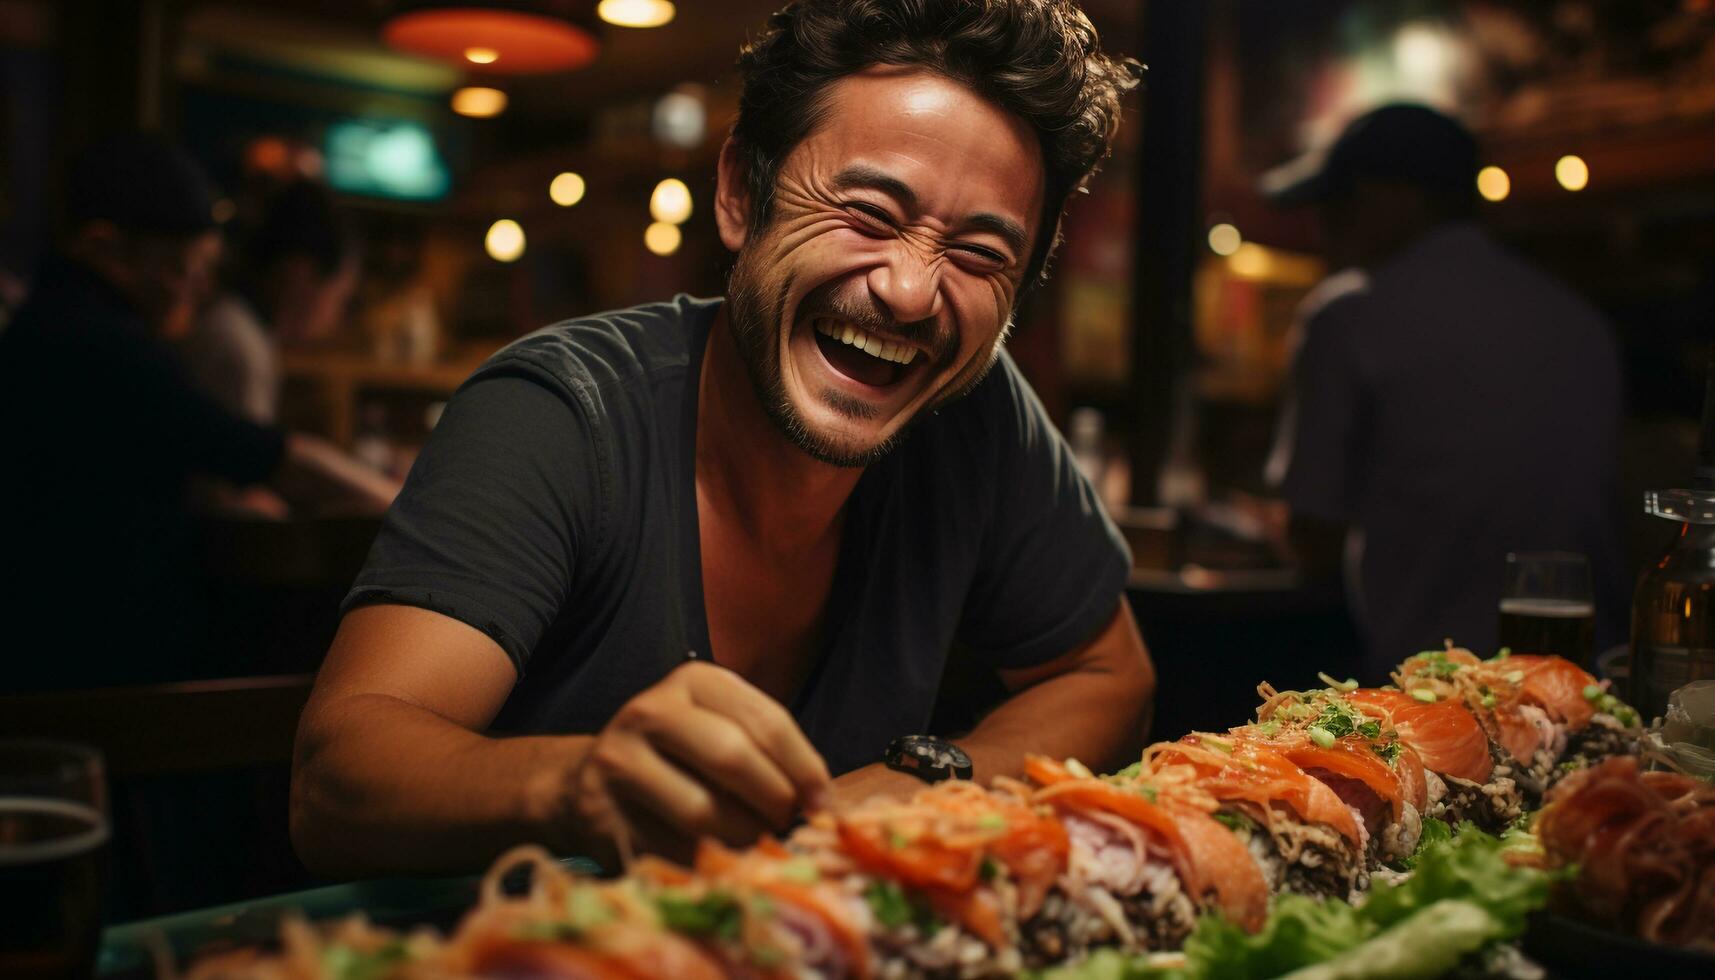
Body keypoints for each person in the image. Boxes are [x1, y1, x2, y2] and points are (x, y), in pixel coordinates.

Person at [290, 0, 1154, 877]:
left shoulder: (976, 414)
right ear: (743, 193)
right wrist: (574, 785)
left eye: (977, 254)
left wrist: (911, 792)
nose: (909, 290)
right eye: (869, 213)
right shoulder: (560, 412)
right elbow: (336, 778)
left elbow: (1106, 676)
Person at [0, 133, 401, 690]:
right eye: (182, 267)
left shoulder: (58, 326)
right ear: (104, 248)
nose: (198, 287)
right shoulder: (96, 345)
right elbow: (264, 454)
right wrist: (406, 507)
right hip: (81, 676)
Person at [1260, 103, 1625, 680]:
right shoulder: (1580, 319)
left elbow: (1314, 535)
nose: (1320, 223)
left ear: (1401, 197)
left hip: (1429, 683)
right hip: (1582, 675)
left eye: (1339, 199)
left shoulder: (1350, 312)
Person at [179, 180, 359, 425]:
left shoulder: (234, 324)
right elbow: (249, 459)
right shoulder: (238, 344)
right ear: (300, 272)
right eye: (339, 297)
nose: (334, 318)